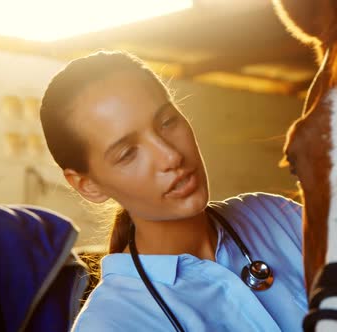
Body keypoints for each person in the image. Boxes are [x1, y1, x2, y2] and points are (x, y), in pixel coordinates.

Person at [39, 50, 307, 331]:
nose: (170, 156)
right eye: (128, 152)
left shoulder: (277, 217)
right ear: (88, 185)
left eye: (167, 122)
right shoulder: (112, 323)